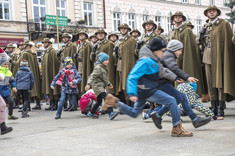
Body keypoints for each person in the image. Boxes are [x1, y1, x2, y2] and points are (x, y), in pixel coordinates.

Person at [103, 38, 193, 137]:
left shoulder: (155, 60)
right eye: (163, 51)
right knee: (172, 100)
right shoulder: (146, 61)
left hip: (143, 91)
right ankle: (177, 128)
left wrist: (175, 77)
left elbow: (163, 71)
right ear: (156, 50)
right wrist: (131, 93)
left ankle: (115, 102)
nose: (164, 53)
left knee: (134, 113)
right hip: (147, 90)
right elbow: (132, 76)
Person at [153, 39, 211, 127]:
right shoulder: (169, 56)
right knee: (181, 98)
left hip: (160, 82)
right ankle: (195, 119)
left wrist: (177, 77)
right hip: (161, 83)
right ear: (174, 49)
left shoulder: (167, 55)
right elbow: (173, 68)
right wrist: (187, 77)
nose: (180, 52)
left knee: (175, 99)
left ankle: (157, 115)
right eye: (179, 50)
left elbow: (167, 69)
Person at [200, 6, 235, 119]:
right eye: (209, 11)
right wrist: (200, 37)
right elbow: (201, 43)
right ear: (207, 14)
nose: (211, 13)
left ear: (217, 13)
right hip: (208, 56)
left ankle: (220, 108)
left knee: (220, 82)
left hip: (220, 56)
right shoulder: (206, 26)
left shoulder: (223, 24)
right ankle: (213, 107)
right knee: (210, 83)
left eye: (213, 11)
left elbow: (229, 42)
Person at [170, 11, 206, 97]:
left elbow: (189, 48)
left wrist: (184, 57)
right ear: (173, 19)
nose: (178, 18)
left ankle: (188, 98)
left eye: (179, 17)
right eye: (176, 17)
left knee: (186, 74)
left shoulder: (187, 31)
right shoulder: (173, 32)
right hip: (175, 59)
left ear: (182, 19)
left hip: (185, 58)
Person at [85, 52, 119, 120]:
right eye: (106, 60)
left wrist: (109, 84)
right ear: (101, 60)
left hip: (100, 86)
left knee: (99, 101)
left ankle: (92, 112)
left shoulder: (103, 67)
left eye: (108, 60)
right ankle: (111, 113)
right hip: (98, 87)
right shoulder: (98, 68)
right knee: (107, 98)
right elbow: (92, 76)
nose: (107, 62)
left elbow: (104, 78)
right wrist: (88, 84)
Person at [10, 40, 42, 110]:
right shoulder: (33, 54)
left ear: (27, 46)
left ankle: (26, 107)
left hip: (25, 74)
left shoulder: (25, 54)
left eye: (24, 45)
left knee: (26, 93)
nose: (23, 46)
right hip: (32, 73)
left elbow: (18, 63)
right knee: (34, 89)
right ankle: (37, 104)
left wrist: (11, 61)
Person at [114, 23, 137, 105]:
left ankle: (131, 103)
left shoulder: (131, 40)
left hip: (128, 64)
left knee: (127, 83)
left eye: (125, 28)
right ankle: (126, 102)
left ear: (128, 30)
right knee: (122, 83)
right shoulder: (119, 41)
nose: (123, 30)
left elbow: (135, 53)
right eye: (121, 28)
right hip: (120, 64)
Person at [91, 28, 116, 95]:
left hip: (105, 68)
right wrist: (93, 51)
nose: (100, 35)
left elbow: (110, 58)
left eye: (102, 33)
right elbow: (93, 58)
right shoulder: (97, 44)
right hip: (98, 67)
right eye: (99, 34)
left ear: (105, 35)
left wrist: (108, 70)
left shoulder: (109, 43)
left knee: (108, 88)